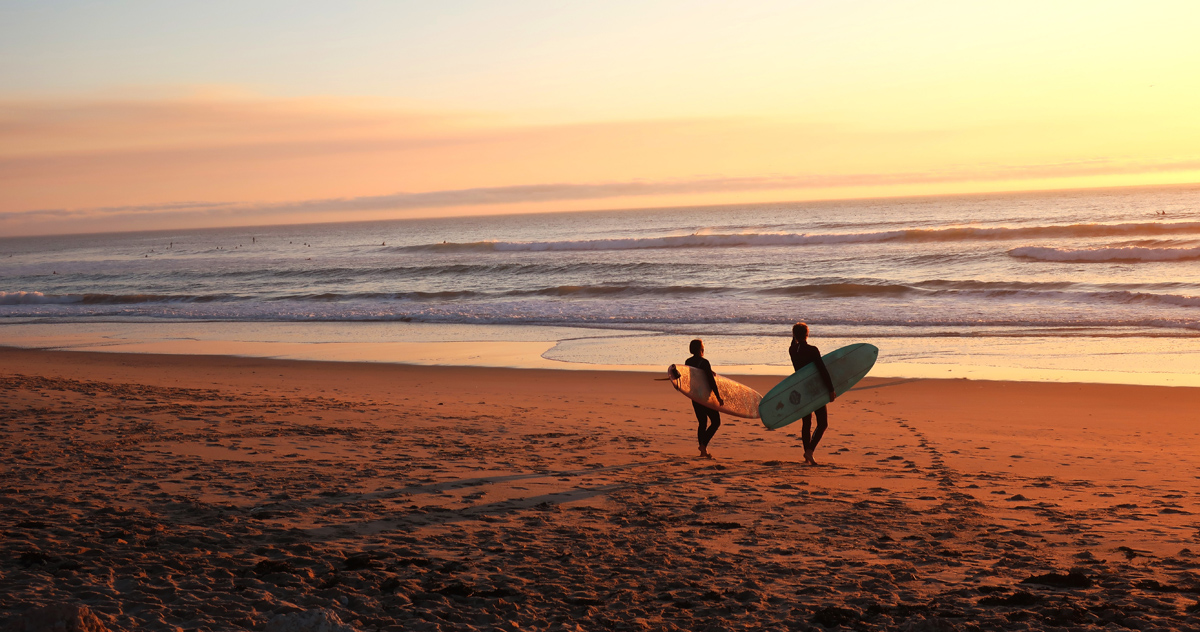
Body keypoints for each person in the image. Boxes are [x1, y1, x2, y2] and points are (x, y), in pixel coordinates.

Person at [789, 322, 836, 466]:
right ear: (807, 334)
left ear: (795, 335)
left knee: (806, 423)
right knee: (822, 423)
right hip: (815, 389)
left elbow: (794, 344)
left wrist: (794, 337)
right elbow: (822, 370)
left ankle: (806, 455)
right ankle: (809, 451)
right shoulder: (812, 350)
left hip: (801, 390)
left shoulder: (792, 350)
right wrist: (830, 389)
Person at [685, 339, 723, 458]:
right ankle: (703, 445)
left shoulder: (688, 361)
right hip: (704, 396)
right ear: (699, 349)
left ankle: (703, 451)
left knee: (702, 422)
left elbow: (693, 375)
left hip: (694, 396)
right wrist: (718, 397)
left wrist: (709, 371)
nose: (703, 348)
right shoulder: (704, 362)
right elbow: (711, 382)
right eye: (702, 346)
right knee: (716, 421)